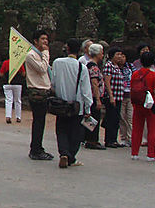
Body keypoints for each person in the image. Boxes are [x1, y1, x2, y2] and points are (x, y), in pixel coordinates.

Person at [51, 38, 93, 168]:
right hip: (77, 105)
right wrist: (88, 108)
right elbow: (86, 90)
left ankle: (63, 152)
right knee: (76, 133)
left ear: (67, 48)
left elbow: (53, 82)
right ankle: (71, 156)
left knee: (61, 130)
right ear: (80, 50)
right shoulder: (82, 67)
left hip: (61, 104)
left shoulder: (57, 62)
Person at [25, 29, 54, 161]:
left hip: (43, 90)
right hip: (37, 91)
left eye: (46, 39)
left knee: (41, 121)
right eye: (42, 39)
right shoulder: (31, 55)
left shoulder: (40, 54)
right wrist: (46, 53)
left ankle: (37, 147)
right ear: (35, 41)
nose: (45, 42)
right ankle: (35, 149)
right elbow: (42, 68)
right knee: (38, 121)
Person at [129, 51, 155, 161]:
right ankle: (151, 155)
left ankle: (134, 153)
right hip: (150, 104)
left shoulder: (135, 74)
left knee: (136, 128)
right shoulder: (154, 75)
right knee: (152, 129)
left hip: (138, 103)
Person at [102, 47, 131, 148]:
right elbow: (107, 82)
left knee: (116, 119)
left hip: (119, 96)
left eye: (120, 54)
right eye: (117, 54)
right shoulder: (109, 66)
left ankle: (113, 139)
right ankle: (109, 140)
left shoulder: (117, 67)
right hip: (113, 96)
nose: (119, 56)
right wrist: (111, 96)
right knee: (111, 118)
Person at [84, 43, 106, 150]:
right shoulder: (93, 67)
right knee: (94, 118)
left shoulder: (89, 65)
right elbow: (94, 83)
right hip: (94, 96)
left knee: (91, 118)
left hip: (92, 96)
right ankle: (92, 140)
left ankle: (89, 138)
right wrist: (98, 99)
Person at [0, 58, 25, 124]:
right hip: (17, 83)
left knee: (8, 100)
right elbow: (23, 73)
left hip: (7, 83)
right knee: (18, 100)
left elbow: (1, 73)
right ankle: (18, 117)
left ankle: (8, 116)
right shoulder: (19, 62)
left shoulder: (5, 62)